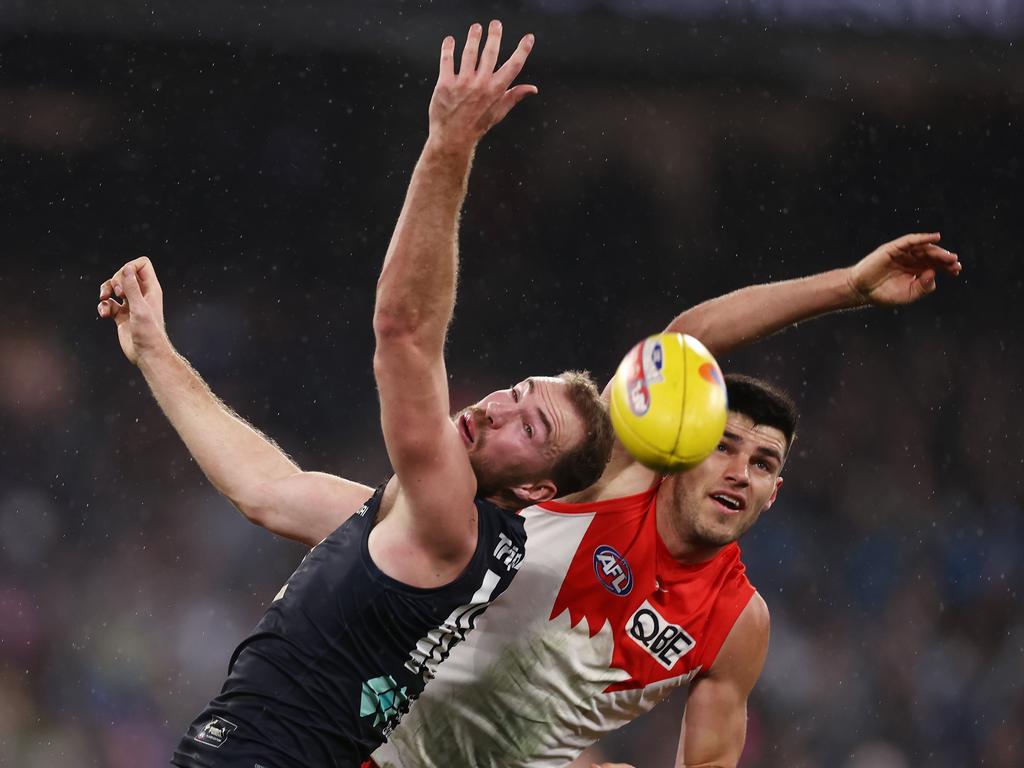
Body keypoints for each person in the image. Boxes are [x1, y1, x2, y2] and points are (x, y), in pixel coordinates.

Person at [97, 21, 613, 768]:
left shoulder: (448, 516)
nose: (498, 405)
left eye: (529, 425)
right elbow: (267, 489)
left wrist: (449, 145)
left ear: (535, 486)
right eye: (516, 390)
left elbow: (403, 330)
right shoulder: (427, 528)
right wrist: (155, 350)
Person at [369, 234, 961, 768]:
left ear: (772, 495)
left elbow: (708, 762)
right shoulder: (611, 474)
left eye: (762, 464)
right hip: (368, 741)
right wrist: (849, 287)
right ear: (683, 445)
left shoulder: (737, 622)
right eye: (723, 447)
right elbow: (684, 343)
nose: (739, 473)